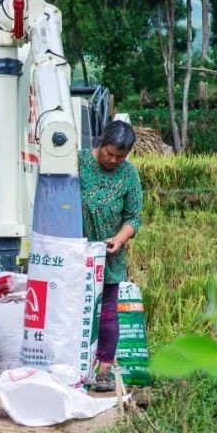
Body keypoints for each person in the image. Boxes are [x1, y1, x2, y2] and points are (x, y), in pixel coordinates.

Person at [79, 121, 143, 392]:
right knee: (73, 309)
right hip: (76, 251)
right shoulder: (79, 162)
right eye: (110, 153)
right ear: (100, 142)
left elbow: (133, 217)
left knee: (107, 312)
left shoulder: (129, 175)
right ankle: (73, 368)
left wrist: (119, 239)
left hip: (109, 254)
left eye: (121, 156)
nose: (114, 160)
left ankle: (103, 373)